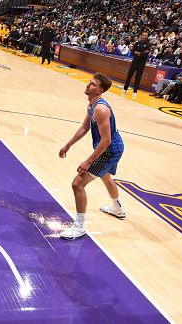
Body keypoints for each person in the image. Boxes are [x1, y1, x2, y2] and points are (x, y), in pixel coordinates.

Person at [59, 73, 125, 240]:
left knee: (77, 184)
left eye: (93, 84)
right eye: (89, 82)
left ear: (100, 90)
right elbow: (84, 128)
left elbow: (107, 140)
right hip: (109, 147)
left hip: (109, 149)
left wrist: (89, 161)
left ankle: (79, 227)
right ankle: (117, 209)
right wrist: (68, 144)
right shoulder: (91, 105)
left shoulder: (100, 109)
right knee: (106, 176)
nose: (88, 85)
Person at [122, 31, 151, 98]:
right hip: (134, 62)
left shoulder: (148, 45)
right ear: (141, 35)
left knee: (138, 77)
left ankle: (135, 91)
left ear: (147, 37)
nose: (144, 36)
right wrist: (137, 52)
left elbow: (145, 53)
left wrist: (138, 53)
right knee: (129, 75)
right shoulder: (137, 43)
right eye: (143, 35)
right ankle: (125, 89)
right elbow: (132, 52)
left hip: (142, 63)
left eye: (145, 35)